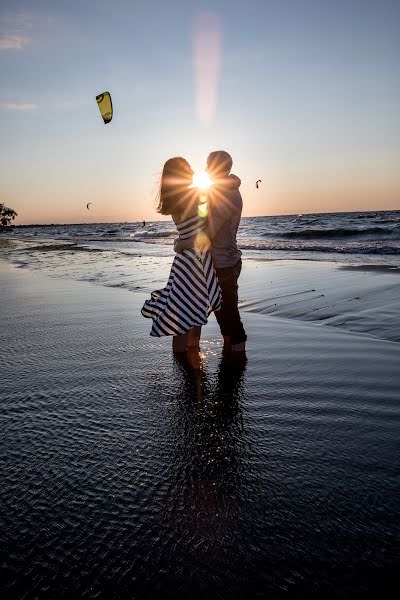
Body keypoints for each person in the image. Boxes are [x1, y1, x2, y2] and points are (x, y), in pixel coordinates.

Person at [141, 157, 222, 353]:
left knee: (182, 307)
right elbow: (205, 227)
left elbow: (191, 229)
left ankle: (181, 357)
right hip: (196, 259)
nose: (194, 172)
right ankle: (190, 355)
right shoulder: (197, 195)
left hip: (184, 261)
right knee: (195, 307)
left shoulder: (172, 200)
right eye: (189, 168)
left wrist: (180, 243)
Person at [175, 150, 247, 356]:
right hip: (219, 261)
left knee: (229, 316)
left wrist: (181, 244)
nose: (205, 169)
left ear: (216, 168)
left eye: (208, 165)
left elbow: (208, 233)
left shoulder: (227, 194)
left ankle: (238, 361)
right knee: (220, 314)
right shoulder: (219, 191)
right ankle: (228, 357)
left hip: (224, 263)